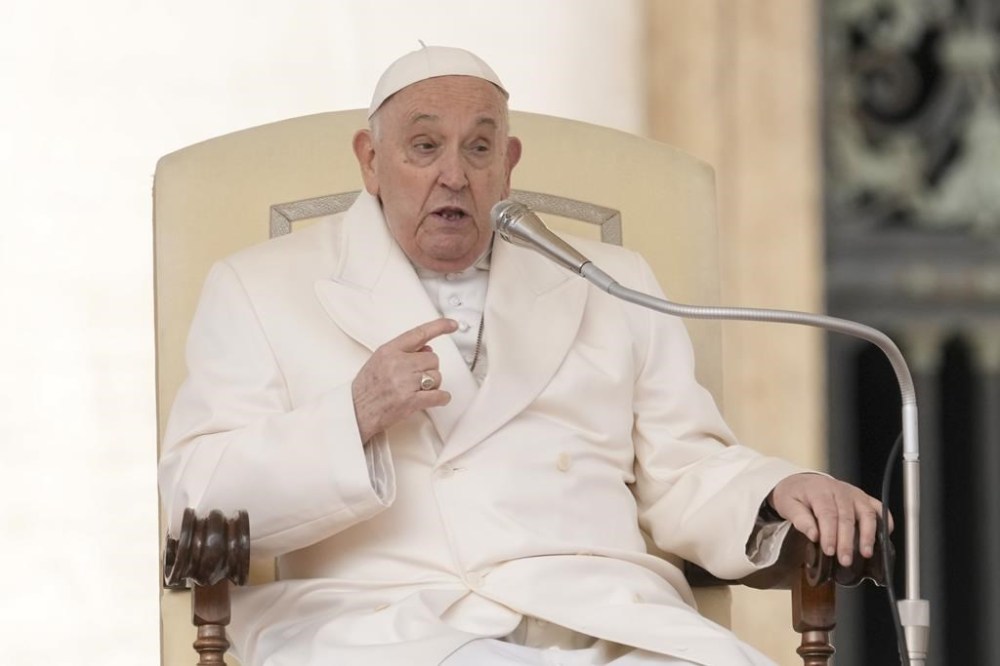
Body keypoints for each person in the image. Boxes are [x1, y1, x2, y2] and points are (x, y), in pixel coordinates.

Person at [159, 46, 884, 666]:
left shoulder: (610, 279)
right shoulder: (259, 286)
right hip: (387, 629)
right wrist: (352, 415)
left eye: (478, 148)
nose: (454, 175)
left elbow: (684, 470)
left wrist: (776, 489)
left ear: (507, 165)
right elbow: (193, 500)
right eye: (424, 146)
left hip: (604, 624)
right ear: (370, 161)